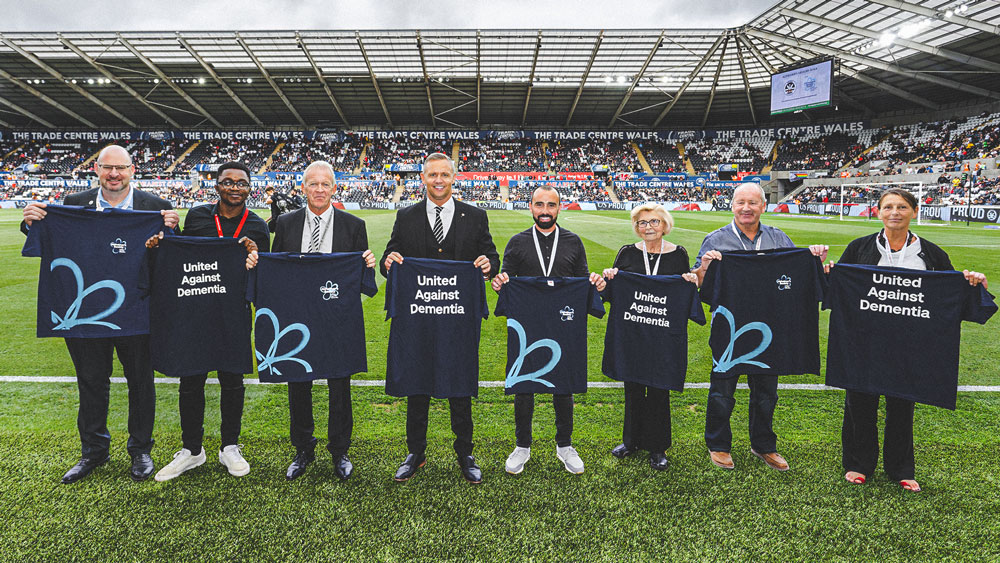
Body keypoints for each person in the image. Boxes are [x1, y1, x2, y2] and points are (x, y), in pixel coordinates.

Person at [20, 144, 179, 483]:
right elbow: (48, 238)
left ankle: (140, 450)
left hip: (138, 309)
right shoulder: (72, 206)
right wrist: (31, 222)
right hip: (86, 312)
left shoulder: (157, 208)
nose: (114, 175)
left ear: (133, 170)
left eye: (121, 168)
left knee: (141, 383)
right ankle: (93, 450)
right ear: (96, 170)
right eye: (107, 168)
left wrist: (171, 232)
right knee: (91, 382)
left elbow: (171, 261)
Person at [830, 187, 988, 492]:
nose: (894, 212)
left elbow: (948, 295)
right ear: (878, 212)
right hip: (865, 342)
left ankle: (901, 468)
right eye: (888, 207)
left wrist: (970, 283)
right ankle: (859, 464)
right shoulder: (859, 247)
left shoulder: (931, 253)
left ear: (913, 211)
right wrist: (827, 272)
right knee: (859, 404)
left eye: (902, 207)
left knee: (902, 407)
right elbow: (840, 289)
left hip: (910, 345)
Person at [380, 152, 499, 483]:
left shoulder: (475, 216)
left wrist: (490, 265)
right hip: (417, 318)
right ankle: (415, 452)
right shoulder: (407, 216)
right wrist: (388, 263)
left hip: (458, 319)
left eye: (444, 175)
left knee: (459, 385)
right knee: (417, 385)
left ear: (453, 177)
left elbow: (490, 255)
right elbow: (388, 257)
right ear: (423, 178)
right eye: (432, 175)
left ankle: (465, 453)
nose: (438, 180)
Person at [692, 183, 828, 472]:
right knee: (722, 391)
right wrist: (705, 265)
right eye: (741, 202)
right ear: (732, 205)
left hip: (770, 329)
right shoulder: (715, 240)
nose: (746, 208)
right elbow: (701, 285)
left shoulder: (778, 238)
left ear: (763, 207)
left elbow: (799, 275)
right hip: (729, 329)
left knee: (767, 393)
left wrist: (814, 259)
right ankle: (718, 444)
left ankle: (764, 445)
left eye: (753, 203)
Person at [153, 161, 271, 482]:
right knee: (191, 379)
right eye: (228, 182)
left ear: (250, 188)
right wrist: (169, 235)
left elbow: (262, 272)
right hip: (196, 308)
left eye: (242, 182)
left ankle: (229, 446)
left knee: (232, 380)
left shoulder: (258, 226)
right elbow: (184, 254)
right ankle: (192, 450)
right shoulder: (198, 216)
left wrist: (254, 256)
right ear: (217, 186)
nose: (235, 187)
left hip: (234, 311)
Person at [271, 161, 376, 481]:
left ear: (334, 188)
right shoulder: (286, 223)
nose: (319, 190)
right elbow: (276, 268)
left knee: (339, 384)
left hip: (337, 316)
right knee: (297, 382)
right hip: (298, 316)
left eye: (325, 184)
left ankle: (340, 449)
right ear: (303, 188)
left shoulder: (353, 225)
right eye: (312, 184)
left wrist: (367, 265)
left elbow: (363, 280)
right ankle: (303, 448)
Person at [491, 185, 606, 475]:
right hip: (527, 322)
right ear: (530, 207)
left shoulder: (573, 241)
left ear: (559, 207)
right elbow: (507, 279)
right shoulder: (517, 242)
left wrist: (595, 282)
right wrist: (500, 283)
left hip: (563, 322)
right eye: (539, 205)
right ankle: (522, 446)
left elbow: (582, 280)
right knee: (524, 385)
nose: (545, 211)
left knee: (563, 385)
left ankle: (565, 445)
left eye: (551, 205)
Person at [601, 203, 698, 471]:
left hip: (663, 336)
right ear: (636, 227)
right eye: (642, 223)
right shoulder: (627, 252)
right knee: (632, 388)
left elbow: (683, 288)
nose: (648, 228)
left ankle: (658, 447)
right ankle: (630, 441)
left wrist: (689, 280)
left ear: (665, 225)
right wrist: (610, 277)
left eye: (654, 222)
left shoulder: (678, 254)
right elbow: (612, 290)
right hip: (633, 333)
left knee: (659, 389)